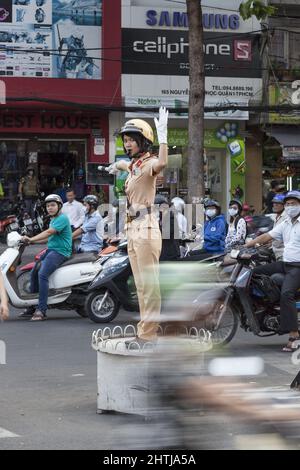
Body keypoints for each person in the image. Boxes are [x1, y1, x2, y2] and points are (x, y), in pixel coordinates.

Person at [106, 107, 169, 347]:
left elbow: (162, 162)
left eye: (132, 139)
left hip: (146, 228)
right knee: (140, 286)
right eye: (125, 139)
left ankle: (149, 333)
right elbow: (127, 167)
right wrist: (116, 166)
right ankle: (146, 329)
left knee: (149, 285)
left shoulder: (151, 162)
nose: (127, 143)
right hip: (133, 229)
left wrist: (163, 136)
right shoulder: (135, 165)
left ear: (144, 142)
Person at [246, 190, 300, 352]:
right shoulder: (286, 223)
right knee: (253, 272)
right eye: (288, 204)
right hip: (285, 263)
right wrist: (246, 245)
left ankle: (294, 336)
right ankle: (268, 307)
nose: (290, 207)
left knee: (286, 294)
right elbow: (267, 236)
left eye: (294, 204)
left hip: (298, 266)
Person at [19, 194, 72, 321]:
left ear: (59, 206)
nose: (50, 208)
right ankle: (32, 306)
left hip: (61, 252)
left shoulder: (62, 218)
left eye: (53, 205)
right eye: (48, 206)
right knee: (33, 272)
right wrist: (32, 242)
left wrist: (31, 238)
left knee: (42, 274)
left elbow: (49, 233)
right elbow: (50, 239)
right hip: (51, 250)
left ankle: (41, 309)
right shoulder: (54, 219)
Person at [155, 194, 180, 261]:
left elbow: (165, 234)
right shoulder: (161, 218)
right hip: (163, 253)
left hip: (170, 255)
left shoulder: (171, 218)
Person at [269, 194, 288, 261]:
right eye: (274, 203)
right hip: (275, 250)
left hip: (282, 254)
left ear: (284, 205)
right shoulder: (276, 216)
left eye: (277, 203)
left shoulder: (286, 217)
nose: (275, 205)